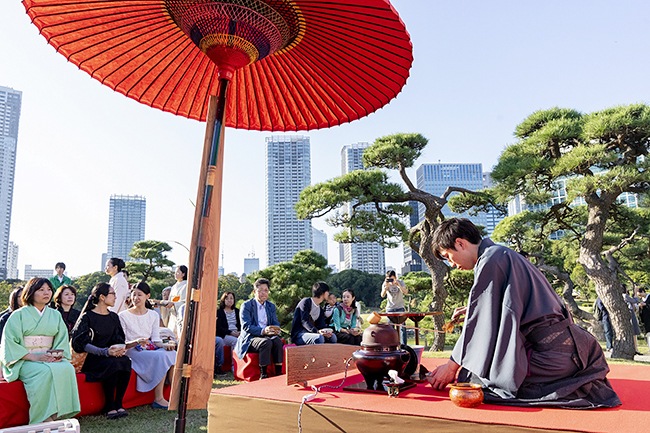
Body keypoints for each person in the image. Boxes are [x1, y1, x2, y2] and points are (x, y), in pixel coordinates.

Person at [426, 218, 621, 408]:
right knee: (479, 372)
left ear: (460, 243)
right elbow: (516, 303)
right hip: (573, 347)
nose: (451, 264)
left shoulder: (491, 260)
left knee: (474, 378)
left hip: (554, 356)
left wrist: (451, 367)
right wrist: (476, 308)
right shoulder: (502, 254)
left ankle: (565, 381)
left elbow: (481, 324)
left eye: (447, 256)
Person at [0, 278, 80, 424]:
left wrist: (56, 355)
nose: (46, 293)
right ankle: (42, 417)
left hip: (48, 357)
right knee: (44, 371)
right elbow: (9, 342)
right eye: (41, 290)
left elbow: (61, 339)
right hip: (24, 359)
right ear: (31, 292)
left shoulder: (55, 315)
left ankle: (58, 414)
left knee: (67, 367)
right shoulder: (18, 315)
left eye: (49, 290)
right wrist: (33, 357)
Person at [71, 282, 132, 419]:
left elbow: (118, 339)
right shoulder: (87, 317)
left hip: (110, 355)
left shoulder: (114, 317)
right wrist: (105, 352)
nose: (116, 297)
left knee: (125, 361)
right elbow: (81, 344)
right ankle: (109, 405)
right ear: (102, 297)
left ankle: (119, 403)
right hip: (92, 358)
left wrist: (118, 350)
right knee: (113, 363)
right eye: (113, 294)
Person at [119, 282, 176, 409]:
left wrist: (167, 344)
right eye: (134, 295)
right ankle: (159, 399)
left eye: (140, 295)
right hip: (132, 351)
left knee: (172, 353)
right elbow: (123, 343)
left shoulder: (153, 315)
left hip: (148, 348)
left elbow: (155, 340)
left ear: (147, 296)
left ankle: (175, 395)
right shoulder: (123, 316)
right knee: (160, 357)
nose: (136, 298)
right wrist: (137, 342)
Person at [234, 278, 283, 379]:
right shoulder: (246, 306)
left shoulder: (271, 306)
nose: (263, 293)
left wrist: (276, 328)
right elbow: (246, 326)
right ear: (254, 292)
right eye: (260, 290)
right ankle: (263, 374)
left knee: (278, 342)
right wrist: (263, 331)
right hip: (250, 338)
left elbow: (275, 321)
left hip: (267, 335)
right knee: (266, 342)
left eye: (266, 290)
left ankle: (278, 373)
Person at [381, 270, 408, 345]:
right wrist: (386, 287)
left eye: (392, 279)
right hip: (390, 308)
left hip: (400, 308)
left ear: (395, 277)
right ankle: (392, 345)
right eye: (389, 279)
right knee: (391, 329)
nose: (391, 282)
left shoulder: (400, 282)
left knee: (403, 328)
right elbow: (382, 295)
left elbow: (405, 292)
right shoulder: (386, 284)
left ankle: (403, 345)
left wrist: (399, 285)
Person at [216, 291, 240, 372]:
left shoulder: (237, 311)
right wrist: (230, 332)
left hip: (237, 333)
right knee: (235, 341)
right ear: (223, 300)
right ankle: (235, 366)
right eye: (227, 298)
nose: (230, 300)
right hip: (225, 335)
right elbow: (219, 328)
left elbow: (242, 325)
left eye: (231, 298)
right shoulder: (219, 312)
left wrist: (239, 332)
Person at [164, 265, 188, 339]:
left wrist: (174, 304)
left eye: (177, 272)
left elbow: (185, 302)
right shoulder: (174, 286)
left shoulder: (186, 285)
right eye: (175, 272)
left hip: (179, 315)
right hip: (172, 314)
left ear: (183, 274)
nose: (175, 274)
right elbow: (170, 299)